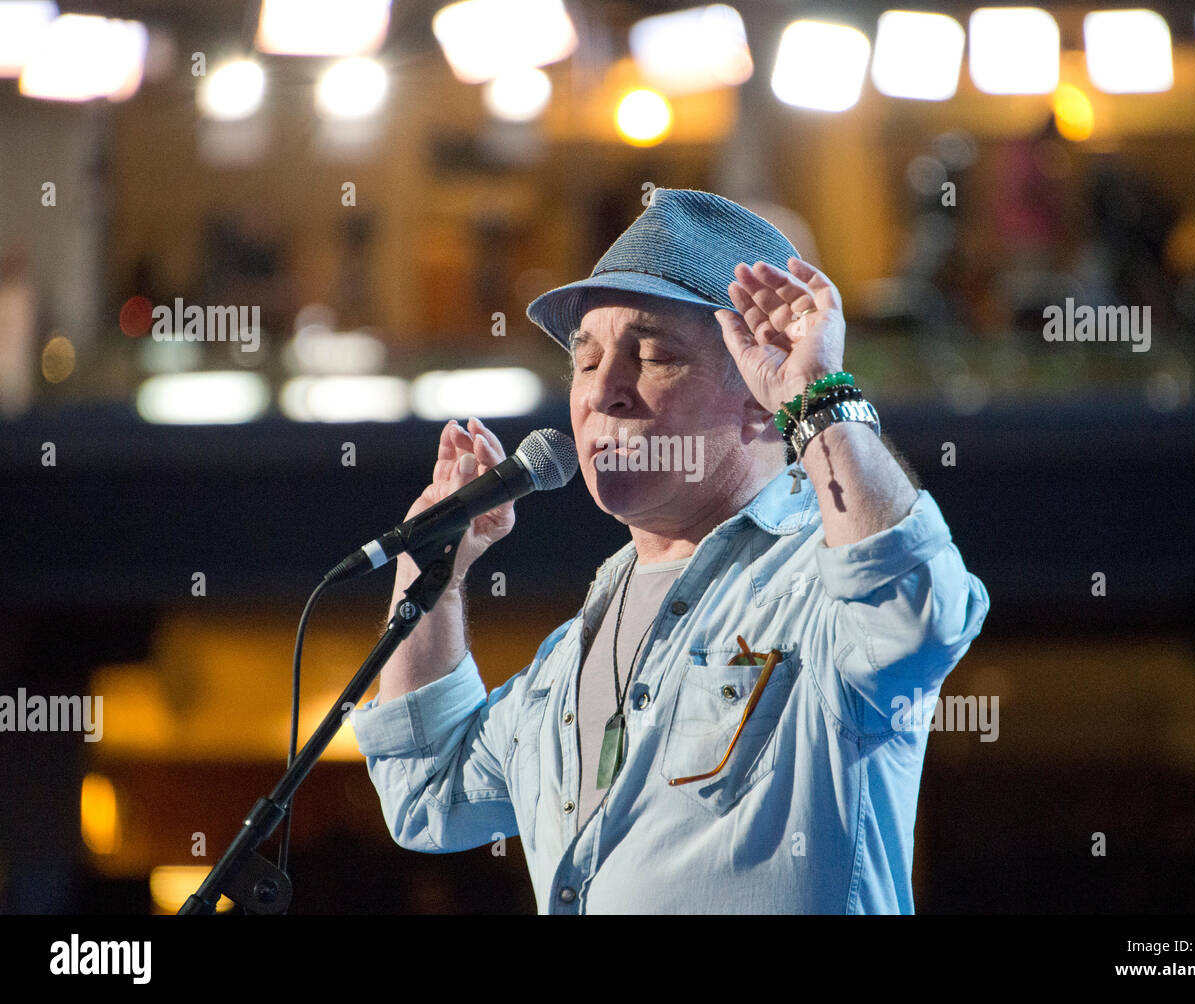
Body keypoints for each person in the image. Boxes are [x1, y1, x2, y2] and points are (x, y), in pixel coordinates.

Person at [351, 189, 989, 913]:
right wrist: (430, 570)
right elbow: (428, 793)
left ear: (760, 391)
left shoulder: (815, 587)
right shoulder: (567, 659)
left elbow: (920, 613)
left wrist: (818, 395)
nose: (605, 393)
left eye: (651, 356)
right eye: (586, 361)